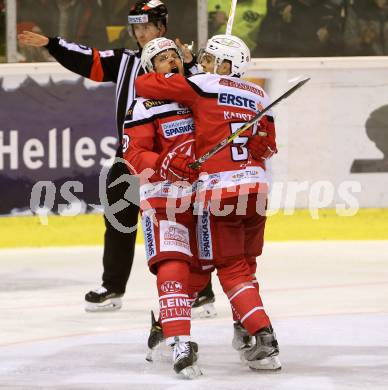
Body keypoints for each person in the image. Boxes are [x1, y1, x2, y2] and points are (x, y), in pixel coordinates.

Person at [17, 0, 216, 314]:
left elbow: (208, 95)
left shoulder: (181, 63)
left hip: (174, 162)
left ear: (162, 27)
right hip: (131, 158)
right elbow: (90, 59)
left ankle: (201, 291)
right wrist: (52, 45)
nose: (140, 33)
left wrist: (191, 66)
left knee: (182, 224)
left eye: (146, 26)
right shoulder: (126, 61)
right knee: (119, 221)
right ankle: (112, 287)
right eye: (136, 27)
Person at [135, 34, 281, 371]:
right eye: (205, 60)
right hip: (252, 192)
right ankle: (237, 331)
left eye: (212, 60)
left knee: (229, 267)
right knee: (232, 267)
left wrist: (189, 70)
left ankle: (261, 335)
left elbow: (146, 84)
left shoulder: (200, 85)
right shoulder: (259, 94)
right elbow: (267, 148)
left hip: (217, 193)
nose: (204, 64)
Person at [122, 37, 203, 378]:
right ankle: (180, 341)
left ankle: (164, 325)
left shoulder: (198, 94)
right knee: (172, 262)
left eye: (175, 57)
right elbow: (133, 155)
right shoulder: (142, 106)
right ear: (150, 68)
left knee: (201, 270)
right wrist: (165, 163)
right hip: (162, 193)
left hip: (203, 194)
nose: (171, 62)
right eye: (163, 59)